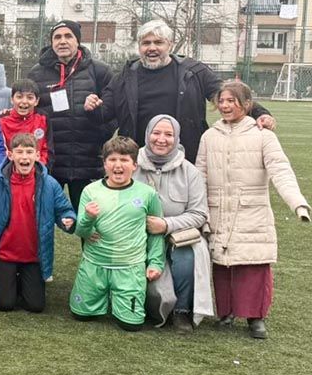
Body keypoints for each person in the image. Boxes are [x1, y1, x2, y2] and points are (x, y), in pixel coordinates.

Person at [196, 81, 309, 339]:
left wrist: (297, 202)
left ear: (247, 105)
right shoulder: (209, 136)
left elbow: (281, 170)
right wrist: (201, 211)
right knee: (222, 264)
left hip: (252, 210)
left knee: (253, 264)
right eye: (221, 101)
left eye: (231, 101)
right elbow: (200, 175)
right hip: (218, 209)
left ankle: (255, 317)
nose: (225, 106)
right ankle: (225, 312)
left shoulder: (263, 136)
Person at [103, 19, 273, 164]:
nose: (152, 48)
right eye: (146, 43)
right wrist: (93, 103)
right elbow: (104, 111)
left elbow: (228, 94)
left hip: (185, 158)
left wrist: (260, 113)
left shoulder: (194, 71)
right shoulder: (125, 77)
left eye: (158, 42)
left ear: (170, 45)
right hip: (139, 160)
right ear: (139, 46)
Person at [70, 136, 165, 331]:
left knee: (131, 325)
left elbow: (155, 232)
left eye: (124, 160)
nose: (118, 165)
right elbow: (81, 231)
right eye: (112, 159)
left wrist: (156, 262)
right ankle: (99, 295)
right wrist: (88, 218)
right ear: (104, 164)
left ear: (135, 165)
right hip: (94, 265)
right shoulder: (90, 191)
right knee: (80, 315)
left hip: (129, 267)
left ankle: (121, 298)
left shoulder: (147, 194)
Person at [0, 134, 76, 314]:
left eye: (29, 152)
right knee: (4, 304)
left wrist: (68, 219)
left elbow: (64, 209)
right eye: (19, 152)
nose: (24, 157)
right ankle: (8, 280)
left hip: (33, 256)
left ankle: (21, 281)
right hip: (4, 254)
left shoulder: (49, 184)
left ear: (37, 155)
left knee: (35, 306)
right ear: (10, 155)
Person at [133, 115, 212, 331]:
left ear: (176, 138)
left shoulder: (190, 171)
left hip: (178, 236)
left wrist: (166, 225)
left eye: (168, 134)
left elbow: (199, 213)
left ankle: (182, 311)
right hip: (140, 236)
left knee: (186, 257)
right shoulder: (132, 164)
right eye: (156, 133)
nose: (161, 139)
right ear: (147, 134)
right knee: (156, 290)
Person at [27, 20, 113, 207]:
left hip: (88, 162)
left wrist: (99, 134)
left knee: (89, 218)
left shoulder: (100, 71)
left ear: (78, 41)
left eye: (68, 36)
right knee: (45, 215)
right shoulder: (36, 73)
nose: (62, 41)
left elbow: (113, 111)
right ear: (51, 42)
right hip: (52, 162)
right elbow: (29, 110)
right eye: (57, 37)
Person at [0, 80, 49, 166]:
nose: (24, 101)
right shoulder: (1, 121)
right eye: (19, 97)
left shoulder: (42, 119)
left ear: (36, 101)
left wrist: (39, 169)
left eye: (30, 98)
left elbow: (46, 150)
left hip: (37, 170)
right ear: (12, 99)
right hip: (9, 170)